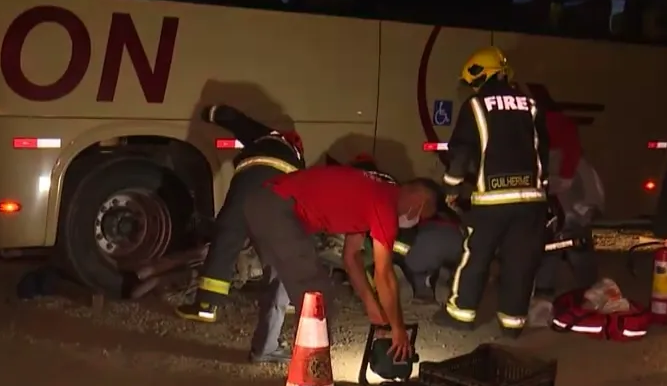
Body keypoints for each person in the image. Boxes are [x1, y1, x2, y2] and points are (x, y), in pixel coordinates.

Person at [242, 165, 440, 364]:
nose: (416, 221)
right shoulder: (385, 204)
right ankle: (315, 376)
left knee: (282, 280)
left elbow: (351, 257)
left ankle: (265, 348)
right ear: (418, 200)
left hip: (262, 201)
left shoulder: (377, 191)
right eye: (421, 216)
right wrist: (398, 328)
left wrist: (371, 305)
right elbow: (384, 275)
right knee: (317, 296)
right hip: (279, 208)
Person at [436, 46, 550, 337]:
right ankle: (512, 323)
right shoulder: (530, 105)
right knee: (520, 261)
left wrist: (451, 187)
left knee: (476, 257)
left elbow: (461, 152)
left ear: (481, 76)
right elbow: (542, 150)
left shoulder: (476, 106)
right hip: (532, 200)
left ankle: (461, 314)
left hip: (493, 201)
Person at [176, 104, 305, 327]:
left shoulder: (269, 136)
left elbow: (232, 117)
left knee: (229, 234)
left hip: (253, 173)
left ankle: (207, 305)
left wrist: (211, 112)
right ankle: (293, 299)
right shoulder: (298, 158)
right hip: (284, 187)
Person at [346, 154, 464, 303]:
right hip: (445, 239)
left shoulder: (359, 188)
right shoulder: (386, 184)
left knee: (394, 255)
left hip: (413, 246)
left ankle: (405, 280)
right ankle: (427, 280)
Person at [531, 110, 605, 320]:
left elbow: (582, 186)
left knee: (573, 241)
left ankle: (587, 289)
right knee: (554, 241)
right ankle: (547, 292)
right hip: (561, 205)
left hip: (571, 203)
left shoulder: (565, 154)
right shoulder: (555, 143)